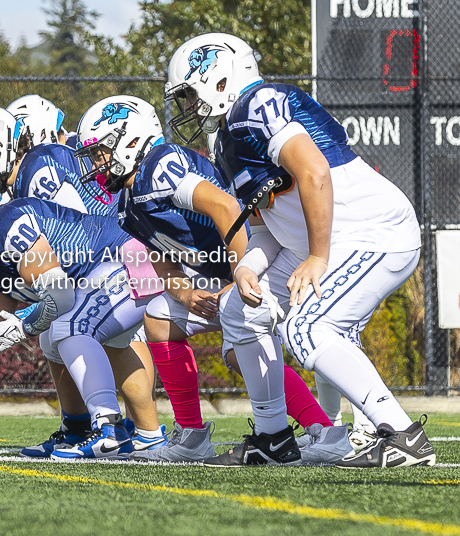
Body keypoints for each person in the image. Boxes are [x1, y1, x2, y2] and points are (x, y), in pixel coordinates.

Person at [165, 33, 435, 467]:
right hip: (328, 241)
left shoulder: (259, 103)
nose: (188, 109)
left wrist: (318, 258)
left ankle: (400, 434)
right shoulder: (226, 139)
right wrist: (248, 267)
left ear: (220, 80)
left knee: (306, 328)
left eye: (190, 95)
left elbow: (314, 171)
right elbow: (265, 226)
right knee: (239, 309)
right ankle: (274, 440)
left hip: (372, 231)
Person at [76, 95, 352, 464]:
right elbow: (159, 254)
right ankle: (192, 436)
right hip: (228, 272)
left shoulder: (159, 166)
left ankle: (324, 431)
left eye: (101, 153)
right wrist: (184, 291)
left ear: (129, 139)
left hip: (263, 261)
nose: (97, 165)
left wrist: (242, 273)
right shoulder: (130, 199)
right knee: (160, 316)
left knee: (239, 353)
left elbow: (226, 207)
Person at [0, 100, 165, 457]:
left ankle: (123, 427)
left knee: (73, 326)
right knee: (63, 333)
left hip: (118, 258)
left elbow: (74, 230)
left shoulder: (37, 169)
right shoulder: (21, 183)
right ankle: (97, 428)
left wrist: (49, 301)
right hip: (117, 256)